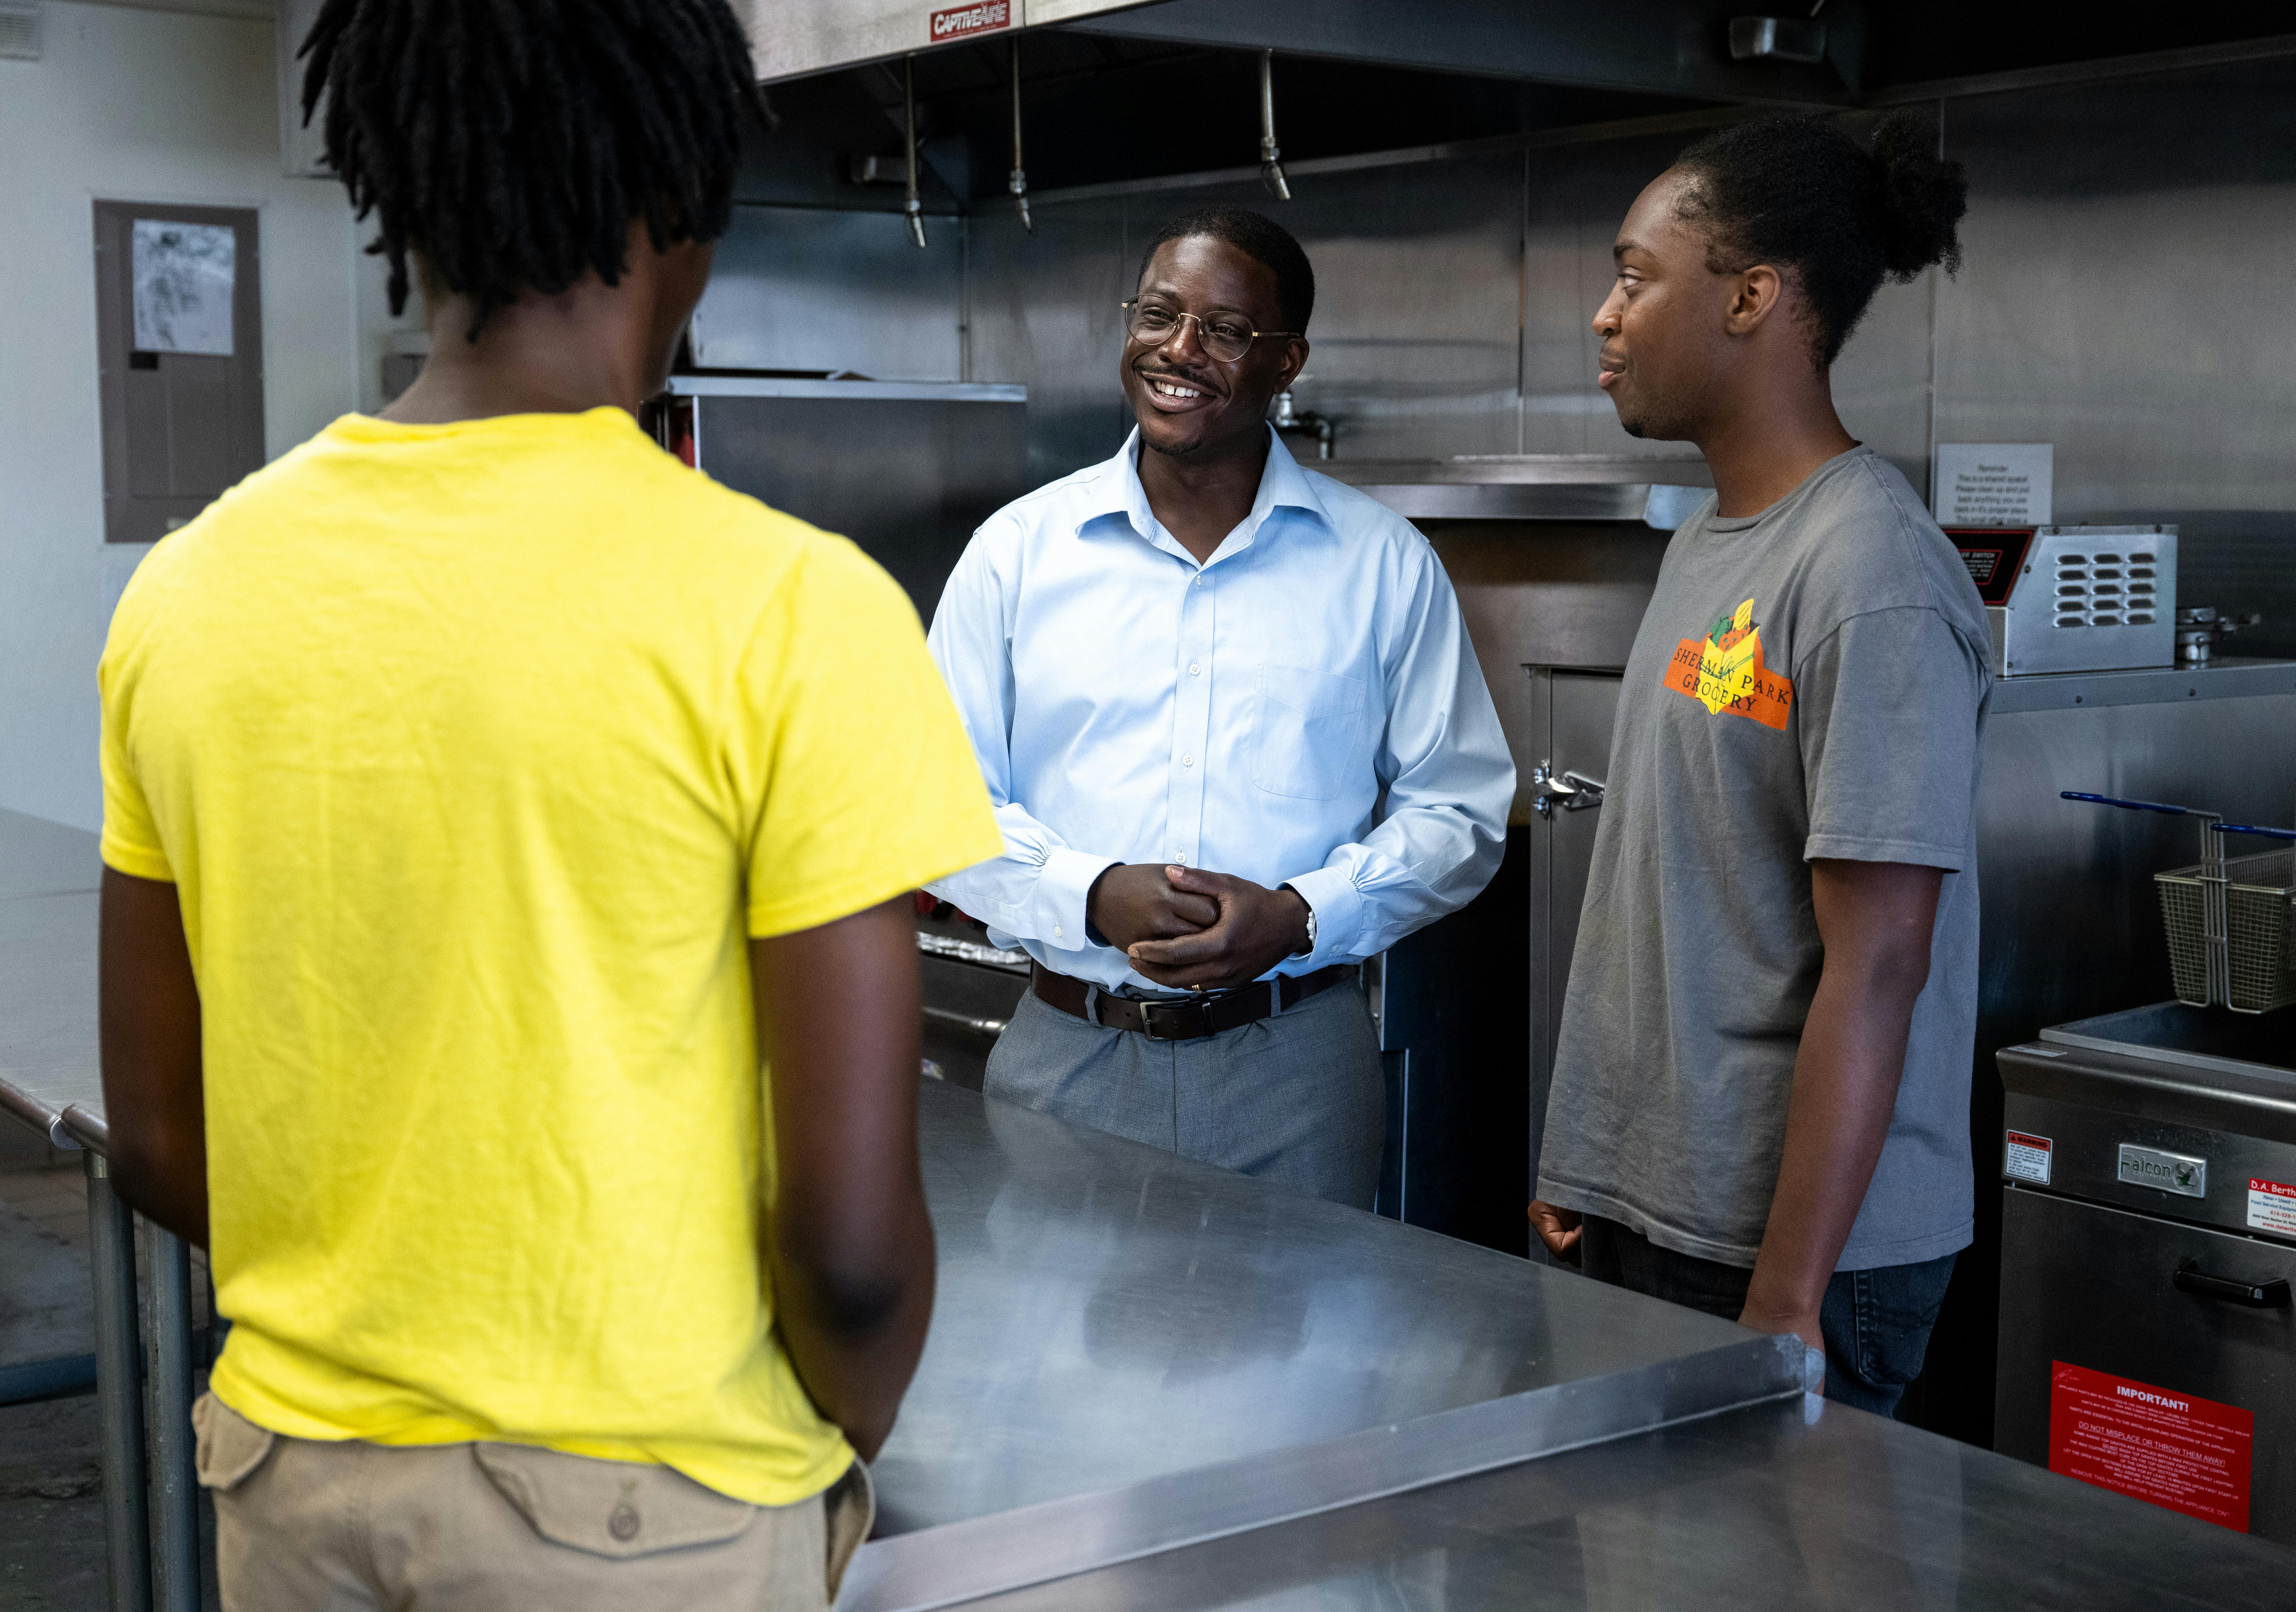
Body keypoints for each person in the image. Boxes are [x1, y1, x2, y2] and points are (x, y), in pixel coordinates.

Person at [94, 3, 1002, 1607]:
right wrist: (814, 1465)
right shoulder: (790, 606)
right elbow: (852, 1245)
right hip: (645, 1509)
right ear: (684, 208)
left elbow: (163, 1135)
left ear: (400, 197)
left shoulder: (191, 590)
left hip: (287, 1481)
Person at [1528, 112, 1986, 1418]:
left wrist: (1786, 1303)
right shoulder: (1713, 540)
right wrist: (1589, 1156)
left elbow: (1879, 960)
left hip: (1788, 1250)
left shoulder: (1869, 573)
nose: (1604, 317)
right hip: (1659, 1203)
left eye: (1634, 274)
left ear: (1749, 297)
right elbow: (1667, 888)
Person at [925, 206, 1514, 1208]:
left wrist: (1298, 916)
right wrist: (1090, 890)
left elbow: (1458, 814)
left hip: (1295, 1071)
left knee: (1305, 1361)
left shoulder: (1381, 564)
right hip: (1068, 1058)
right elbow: (927, 799)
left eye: (1225, 329)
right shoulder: (1018, 552)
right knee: (1051, 1366)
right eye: (1157, 315)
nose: (1179, 350)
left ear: (1289, 361)